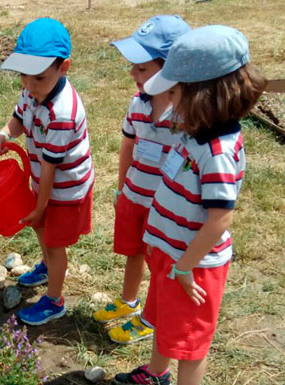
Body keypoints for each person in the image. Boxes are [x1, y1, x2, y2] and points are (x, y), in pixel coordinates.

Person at [112, 25, 266, 385]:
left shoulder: (217, 150)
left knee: (190, 337)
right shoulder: (192, 129)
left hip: (191, 263)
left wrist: (185, 266)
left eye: (175, 92)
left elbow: (219, 218)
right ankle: (157, 372)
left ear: (202, 96)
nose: (168, 100)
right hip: (170, 249)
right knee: (165, 319)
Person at [92, 15, 191, 345]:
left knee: (160, 264)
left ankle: (150, 318)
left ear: (171, 68)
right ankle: (128, 300)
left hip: (165, 209)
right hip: (136, 195)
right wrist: (123, 188)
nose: (133, 73)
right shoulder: (137, 104)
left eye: (142, 68)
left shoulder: (186, 116)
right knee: (134, 251)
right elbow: (128, 146)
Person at [0, 18, 94, 326]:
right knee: (41, 230)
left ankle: (55, 300)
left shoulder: (63, 112)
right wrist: (6, 132)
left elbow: (51, 167)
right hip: (44, 181)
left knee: (54, 240)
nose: (28, 84)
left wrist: (40, 206)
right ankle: (48, 267)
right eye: (22, 74)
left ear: (64, 68)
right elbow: (18, 118)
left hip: (65, 188)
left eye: (37, 77)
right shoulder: (32, 91)